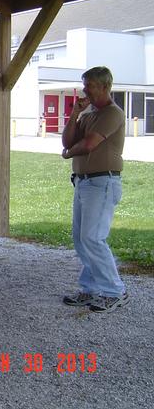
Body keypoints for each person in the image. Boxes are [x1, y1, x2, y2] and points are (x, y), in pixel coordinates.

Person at [61, 66, 128, 313]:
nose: (85, 90)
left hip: (102, 182)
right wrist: (74, 115)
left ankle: (114, 291)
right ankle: (90, 288)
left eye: (89, 85)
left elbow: (88, 144)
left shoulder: (112, 113)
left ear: (104, 86)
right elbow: (67, 139)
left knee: (93, 237)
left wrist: (69, 153)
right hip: (83, 181)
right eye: (85, 84)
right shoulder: (88, 114)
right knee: (81, 238)